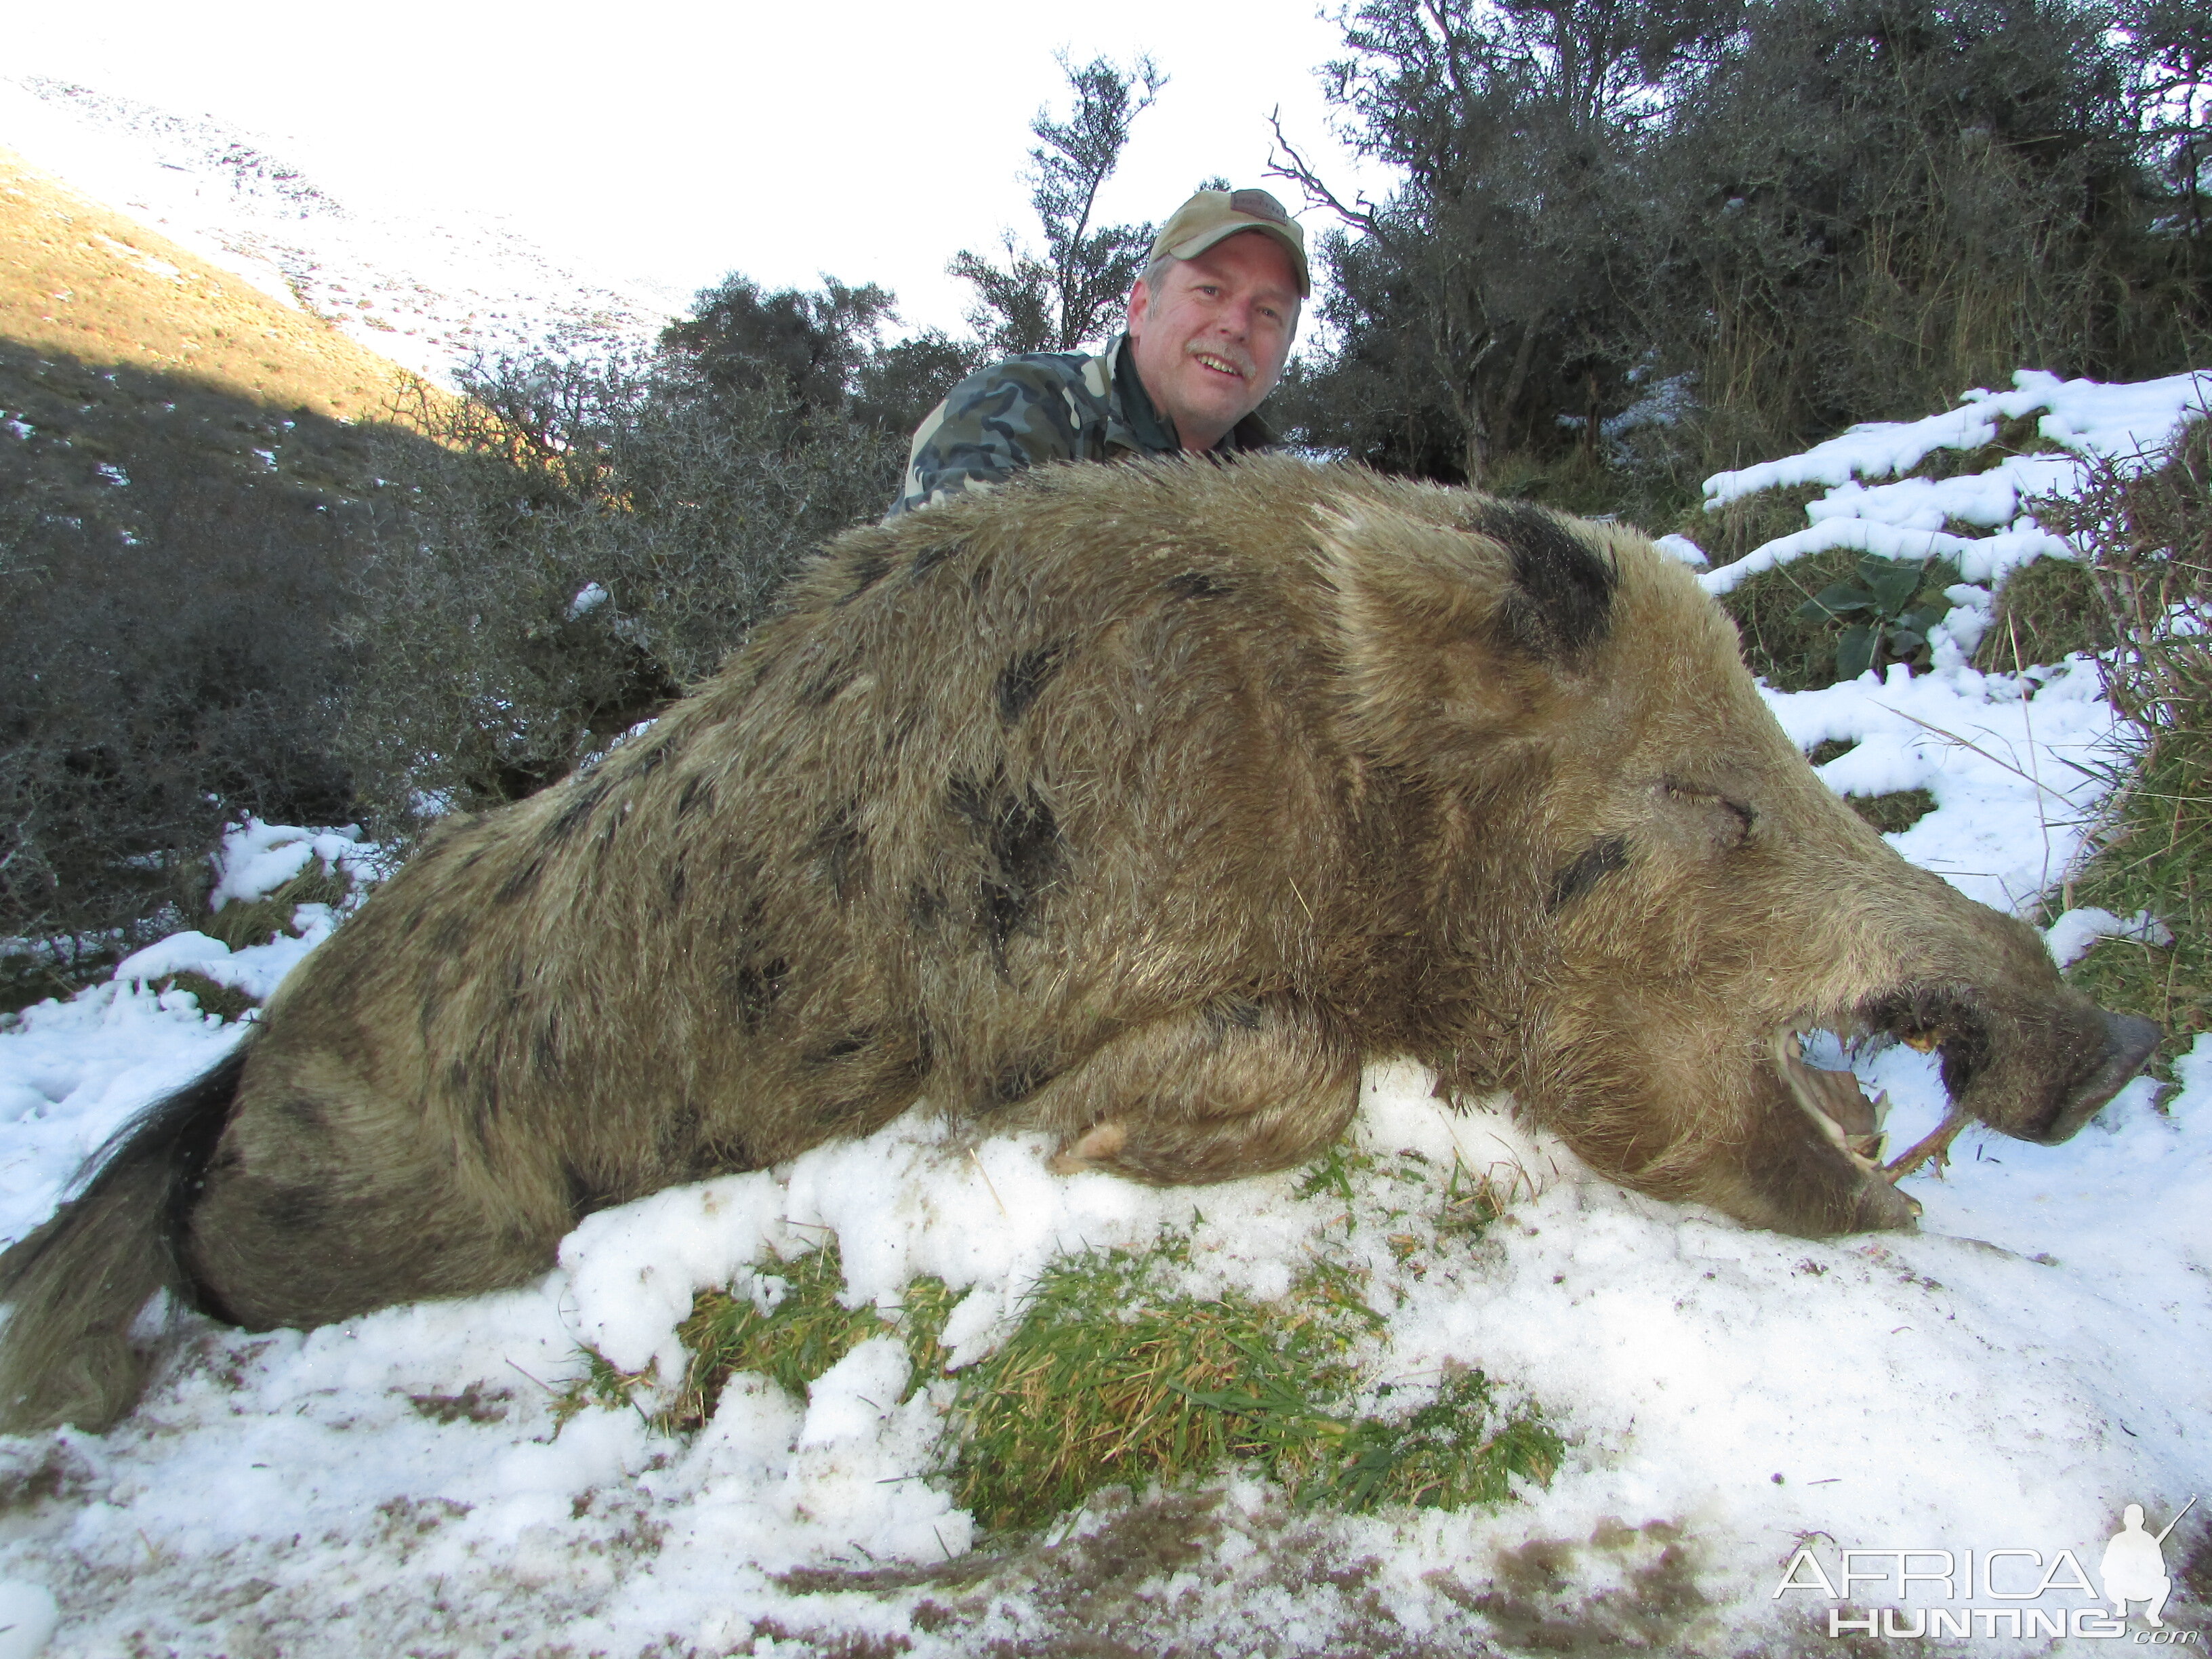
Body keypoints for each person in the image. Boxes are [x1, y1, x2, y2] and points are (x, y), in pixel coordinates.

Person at [885, 186, 1307, 519]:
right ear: (1141, 308)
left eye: (1268, 312)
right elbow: (942, 600)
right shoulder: (1015, 406)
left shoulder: (1285, 497)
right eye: (1210, 290)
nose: (1238, 324)